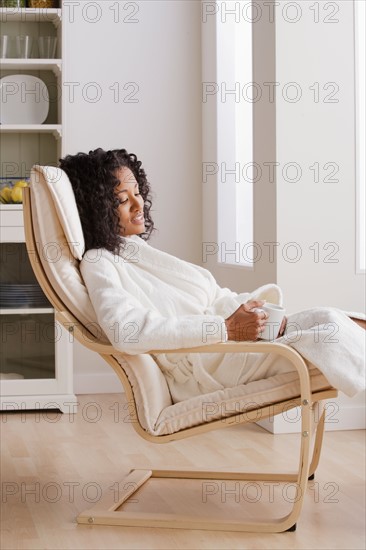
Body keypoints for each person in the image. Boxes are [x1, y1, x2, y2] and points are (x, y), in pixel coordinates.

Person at [59, 148, 366, 403]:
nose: (138, 204)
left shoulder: (132, 250)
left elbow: (214, 299)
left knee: (333, 319)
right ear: (96, 209)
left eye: (137, 192)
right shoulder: (100, 262)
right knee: (331, 335)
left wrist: (257, 316)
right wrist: (226, 328)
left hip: (227, 346)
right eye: (122, 200)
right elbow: (127, 331)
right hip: (208, 364)